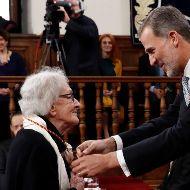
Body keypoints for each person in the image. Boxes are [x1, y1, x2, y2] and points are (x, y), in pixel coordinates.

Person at [71, 5, 190, 190]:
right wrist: (111, 144)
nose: (151, 61)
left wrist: (111, 161)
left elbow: (184, 133)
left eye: (151, 51)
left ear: (173, 38)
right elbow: (168, 121)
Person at [3, 67, 83, 190]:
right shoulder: (34, 143)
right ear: (51, 107)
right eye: (70, 97)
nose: (78, 104)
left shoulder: (40, 137)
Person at [60, 0, 101, 139]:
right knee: (74, 113)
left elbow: (88, 34)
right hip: (73, 79)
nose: (71, 7)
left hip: (88, 79)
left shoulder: (88, 22)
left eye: (74, 4)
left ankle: (91, 141)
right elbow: (63, 49)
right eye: (69, 5)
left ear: (81, 7)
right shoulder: (71, 28)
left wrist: (68, 22)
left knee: (88, 114)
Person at [0, 29, 27, 142]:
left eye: (1, 39)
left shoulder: (16, 57)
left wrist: (12, 88)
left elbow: (23, 77)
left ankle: (15, 139)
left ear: (6, 41)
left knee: (17, 104)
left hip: (14, 94)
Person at [136, 52, 176, 120]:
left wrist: (166, 89)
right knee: (153, 101)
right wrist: (154, 90)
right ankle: (155, 125)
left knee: (171, 100)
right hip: (150, 90)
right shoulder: (143, 59)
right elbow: (141, 79)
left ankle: (169, 125)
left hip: (167, 89)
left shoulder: (169, 56)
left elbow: (175, 74)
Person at [99, 33, 122, 138]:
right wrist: (101, 92)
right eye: (104, 43)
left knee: (116, 110)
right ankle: (106, 133)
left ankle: (114, 134)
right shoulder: (96, 61)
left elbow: (119, 82)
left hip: (112, 93)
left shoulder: (117, 63)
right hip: (99, 93)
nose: (107, 45)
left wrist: (113, 91)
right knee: (103, 109)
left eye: (109, 43)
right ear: (100, 45)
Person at [0, 112, 23, 190]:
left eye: (22, 125)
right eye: (16, 126)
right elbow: (1, 175)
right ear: (11, 128)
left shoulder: (37, 144)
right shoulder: (3, 147)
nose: (20, 129)